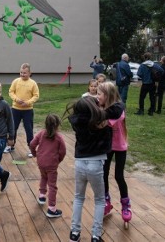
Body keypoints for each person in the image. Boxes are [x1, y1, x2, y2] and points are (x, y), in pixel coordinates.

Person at [65, 95, 116, 242]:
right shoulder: (102, 125)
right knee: (100, 200)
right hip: (96, 164)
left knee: (78, 197)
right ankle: (96, 235)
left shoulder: (77, 123)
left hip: (80, 163)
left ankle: (74, 233)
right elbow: (108, 146)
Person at [96, 82, 131, 222]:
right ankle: (106, 201)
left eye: (99, 94)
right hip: (108, 147)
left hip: (120, 146)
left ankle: (125, 205)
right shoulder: (102, 107)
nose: (97, 96)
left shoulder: (118, 110)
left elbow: (103, 123)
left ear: (108, 95)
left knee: (118, 176)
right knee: (103, 174)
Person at [29, 113, 66, 218]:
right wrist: (58, 160)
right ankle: (51, 209)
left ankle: (41, 196)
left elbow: (32, 144)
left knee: (43, 177)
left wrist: (35, 153)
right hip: (52, 164)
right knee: (52, 185)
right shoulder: (58, 137)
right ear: (57, 125)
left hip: (41, 162)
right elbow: (63, 151)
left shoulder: (41, 133)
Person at [6, 63, 39, 157]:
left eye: (24, 73)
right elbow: (11, 92)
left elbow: (36, 95)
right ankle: (10, 145)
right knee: (13, 128)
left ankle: (31, 148)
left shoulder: (33, 83)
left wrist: (28, 102)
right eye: (21, 72)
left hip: (28, 110)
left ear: (29, 73)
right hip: (15, 109)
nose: (22, 74)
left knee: (29, 129)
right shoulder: (16, 81)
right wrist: (16, 99)